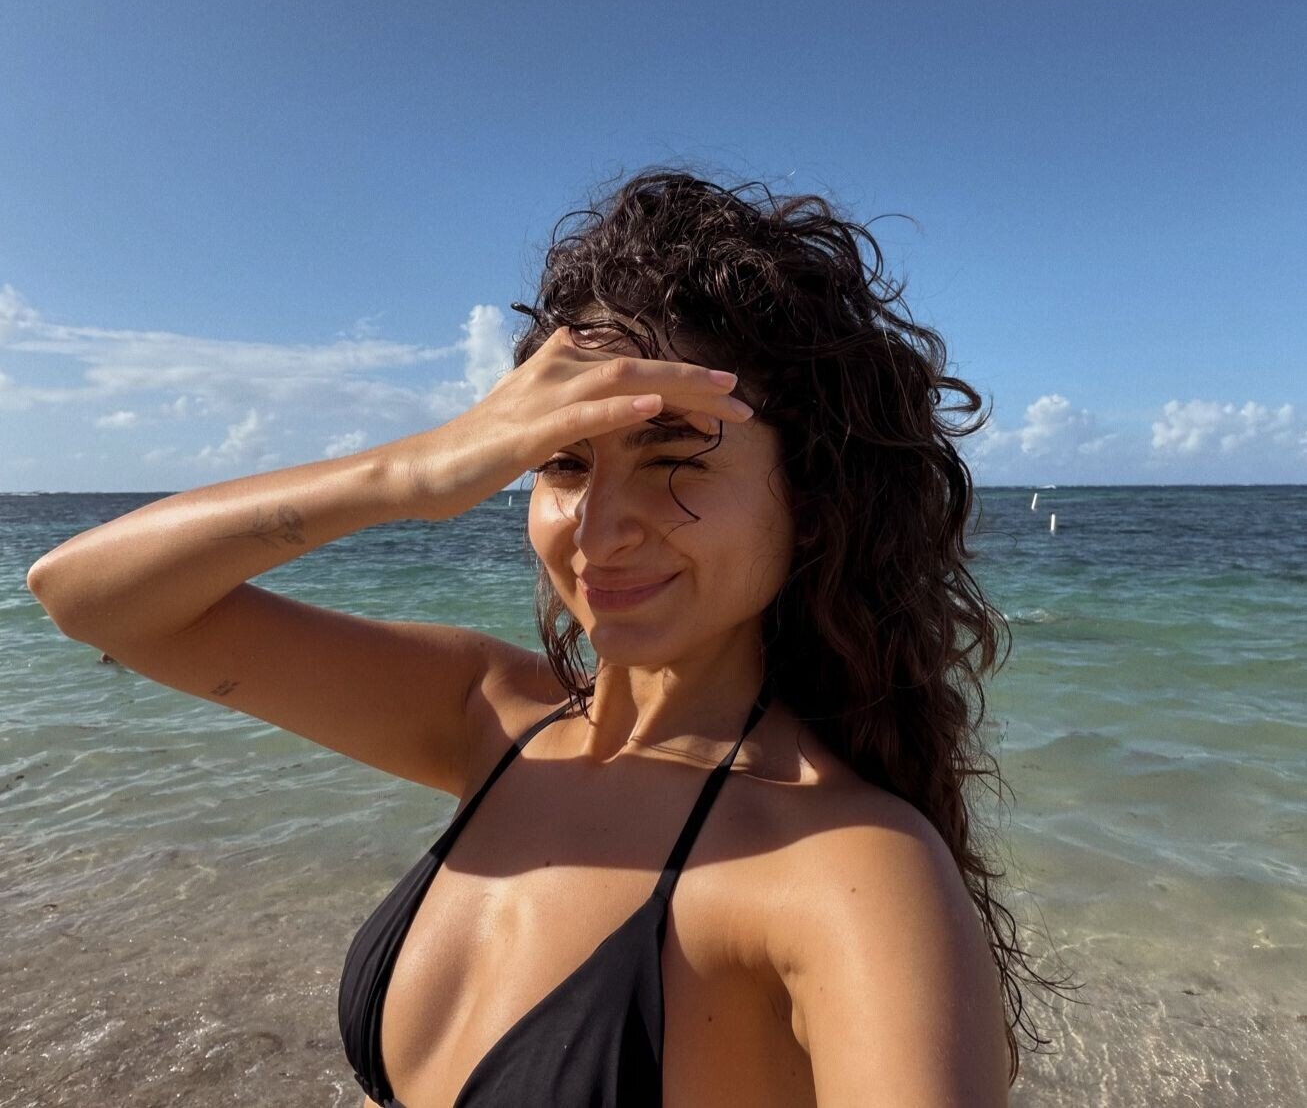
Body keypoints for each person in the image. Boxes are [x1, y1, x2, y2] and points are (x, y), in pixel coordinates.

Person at [27, 169, 1046, 1106]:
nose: (596, 531)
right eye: (562, 462)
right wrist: (411, 472)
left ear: (814, 500)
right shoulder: (490, 715)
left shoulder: (847, 872)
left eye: (673, 456)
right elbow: (87, 595)